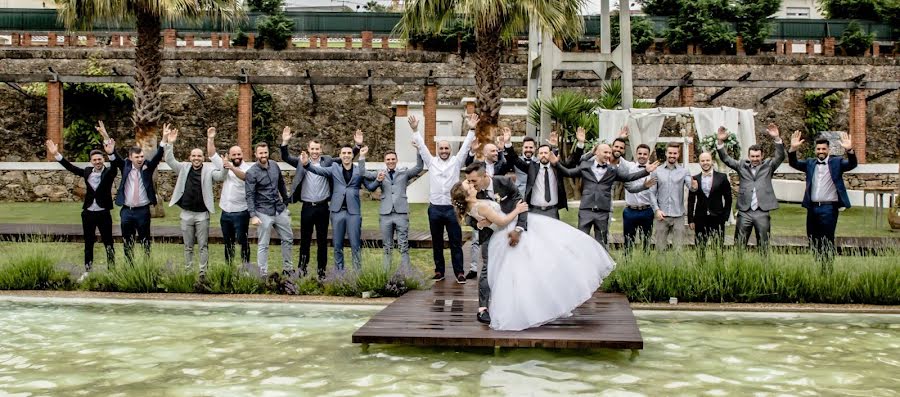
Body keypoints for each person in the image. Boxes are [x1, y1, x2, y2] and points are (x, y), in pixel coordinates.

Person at [450, 180, 616, 331]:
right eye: (469, 187)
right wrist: (517, 209)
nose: (472, 185)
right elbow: (501, 221)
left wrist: (483, 222)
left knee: (525, 269)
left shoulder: (474, 205)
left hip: (502, 235)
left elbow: (485, 219)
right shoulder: (481, 206)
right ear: (466, 195)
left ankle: (534, 306)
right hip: (506, 233)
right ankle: (533, 308)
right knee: (533, 265)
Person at [280, 128, 361, 278]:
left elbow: (346, 158)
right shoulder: (301, 161)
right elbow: (285, 157)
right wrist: (285, 142)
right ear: (308, 150)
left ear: (321, 150)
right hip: (307, 207)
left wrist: (357, 146)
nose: (315, 151)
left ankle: (321, 273)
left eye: (317, 149)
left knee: (322, 241)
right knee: (305, 241)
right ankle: (302, 271)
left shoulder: (328, 161)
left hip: (323, 207)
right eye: (312, 149)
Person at [410, 114, 477, 282]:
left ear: (450, 150)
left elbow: (466, 147)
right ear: (437, 150)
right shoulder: (431, 162)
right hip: (435, 209)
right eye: (441, 149)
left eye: (447, 148)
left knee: (456, 242)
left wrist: (472, 129)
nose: (444, 151)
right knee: (437, 242)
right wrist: (415, 129)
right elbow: (422, 147)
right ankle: (439, 270)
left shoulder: (456, 162)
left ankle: (459, 272)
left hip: (452, 209)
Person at [555, 143, 658, 246]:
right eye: (605, 152)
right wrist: (556, 163)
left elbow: (628, 177)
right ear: (596, 153)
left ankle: (601, 262)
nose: (608, 155)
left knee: (602, 242)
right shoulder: (585, 166)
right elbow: (568, 173)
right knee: (582, 240)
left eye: (609, 153)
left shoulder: (613, 170)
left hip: (603, 212)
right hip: (586, 210)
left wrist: (645, 171)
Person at [46, 131, 117, 280]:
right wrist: (56, 154)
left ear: (103, 159)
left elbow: (116, 165)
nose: (97, 162)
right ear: (91, 161)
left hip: (104, 213)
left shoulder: (110, 172)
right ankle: (87, 270)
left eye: (99, 159)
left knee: (108, 242)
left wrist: (110, 151)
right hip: (88, 213)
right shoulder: (87, 171)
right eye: (94, 160)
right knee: (88, 242)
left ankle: (112, 270)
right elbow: (71, 168)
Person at [462, 162, 527, 325]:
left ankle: (518, 304)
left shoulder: (504, 183)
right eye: (469, 181)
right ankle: (482, 309)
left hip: (512, 229)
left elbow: (522, 205)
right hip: (490, 235)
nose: (471, 184)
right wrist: (477, 224)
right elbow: (468, 216)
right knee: (487, 268)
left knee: (517, 267)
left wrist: (519, 229)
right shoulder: (472, 194)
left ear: (485, 176)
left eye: (474, 181)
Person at [301, 143, 376, 271]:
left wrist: (379, 179)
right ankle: (339, 274)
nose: (346, 155)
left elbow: (371, 186)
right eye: (344, 153)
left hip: (353, 212)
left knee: (355, 245)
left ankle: (357, 275)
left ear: (353, 155)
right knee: (337, 245)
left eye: (349, 153)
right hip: (337, 212)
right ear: (340, 155)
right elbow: (319, 170)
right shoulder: (334, 168)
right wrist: (307, 164)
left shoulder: (359, 170)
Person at [162, 126, 224, 279]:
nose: (196, 158)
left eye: (199, 156)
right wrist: (170, 143)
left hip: (202, 214)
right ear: (190, 157)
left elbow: (221, 176)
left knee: (203, 246)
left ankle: (203, 272)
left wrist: (225, 165)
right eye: (194, 156)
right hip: (186, 214)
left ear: (203, 158)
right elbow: (169, 160)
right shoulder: (183, 168)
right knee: (188, 246)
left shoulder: (209, 171)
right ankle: (189, 271)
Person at [788, 131, 857, 263]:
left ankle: (827, 267)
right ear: (815, 150)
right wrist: (793, 149)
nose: (821, 151)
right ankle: (817, 263)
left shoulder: (837, 162)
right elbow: (794, 163)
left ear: (828, 150)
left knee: (827, 238)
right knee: (812, 237)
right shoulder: (810, 163)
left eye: (823, 149)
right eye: (818, 149)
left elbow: (852, 165)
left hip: (829, 208)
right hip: (812, 208)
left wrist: (849, 150)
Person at [717, 124, 785, 251]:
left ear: (762, 156)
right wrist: (720, 142)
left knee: (764, 245)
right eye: (752, 156)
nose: (755, 159)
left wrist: (777, 139)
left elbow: (780, 157)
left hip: (762, 211)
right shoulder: (741, 165)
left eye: (757, 156)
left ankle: (764, 269)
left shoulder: (769, 166)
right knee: (739, 246)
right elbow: (725, 159)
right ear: (749, 156)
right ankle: (738, 268)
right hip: (745, 211)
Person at [104, 123, 166, 264]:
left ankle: (146, 265)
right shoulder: (125, 165)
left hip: (143, 211)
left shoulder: (147, 167)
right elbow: (114, 155)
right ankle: (129, 266)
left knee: (145, 241)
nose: (140, 159)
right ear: (131, 158)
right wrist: (108, 145)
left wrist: (164, 140)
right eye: (137, 157)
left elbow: (157, 156)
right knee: (127, 241)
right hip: (127, 211)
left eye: (142, 157)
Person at [503, 127, 588, 219]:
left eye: (546, 153)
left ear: (550, 154)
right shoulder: (531, 168)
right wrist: (507, 143)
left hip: (552, 211)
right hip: (534, 210)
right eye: (541, 153)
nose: (543, 155)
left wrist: (580, 144)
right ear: (538, 155)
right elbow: (515, 159)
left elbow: (571, 162)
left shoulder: (556, 168)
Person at [364, 145, 424, 271]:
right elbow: (363, 173)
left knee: (403, 246)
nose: (390, 161)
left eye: (393, 159)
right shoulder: (380, 174)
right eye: (388, 159)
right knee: (387, 247)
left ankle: (407, 274)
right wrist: (362, 156)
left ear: (397, 160)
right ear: (384, 161)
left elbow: (419, 167)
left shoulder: (404, 173)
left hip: (401, 213)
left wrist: (419, 150)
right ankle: (386, 275)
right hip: (385, 214)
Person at [464, 132, 514, 280]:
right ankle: (474, 268)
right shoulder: (479, 167)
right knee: (476, 239)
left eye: (496, 151)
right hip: (481, 210)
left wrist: (503, 148)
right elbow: (468, 166)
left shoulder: (501, 164)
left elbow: (510, 162)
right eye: (492, 151)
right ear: (485, 153)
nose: (495, 153)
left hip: (498, 208)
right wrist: (472, 151)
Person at [245, 142, 292, 276]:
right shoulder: (251, 173)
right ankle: (262, 273)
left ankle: (288, 269)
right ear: (256, 154)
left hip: (278, 208)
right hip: (263, 211)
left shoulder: (274, 166)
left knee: (288, 238)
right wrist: (253, 215)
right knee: (263, 244)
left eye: (265, 152)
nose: (263, 155)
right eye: (261, 153)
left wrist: (285, 199)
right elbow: (249, 195)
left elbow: (281, 184)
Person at [649, 143, 698, 249]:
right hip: (662, 215)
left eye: (675, 153)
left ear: (678, 154)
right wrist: (656, 210)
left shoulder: (684, 171)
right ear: (666, 153)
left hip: (678, 215)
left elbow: (691, 187)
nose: (672, 155)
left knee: (678, 249)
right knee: (660, 249)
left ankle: (677, 266)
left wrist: (694, 186)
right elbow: (652, 193)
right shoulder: (657, 171)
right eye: (670, 153)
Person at [215, 143, 253, 265]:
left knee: (243, 242)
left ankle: (245, 267)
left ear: (242, 155)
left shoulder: (248, 168)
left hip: (241, 212)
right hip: (225, 212)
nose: (237, 156)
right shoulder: (225, 166)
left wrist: (231, 167)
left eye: (239, 154)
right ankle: (229, 267)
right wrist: (210, 139)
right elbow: (211, 154)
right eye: (234, 154)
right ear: (230, 156)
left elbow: (245, 177)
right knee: (228, 243)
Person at [687, 152, 733, 248]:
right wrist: (690, 219)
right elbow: (691, 201)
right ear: (699, 162)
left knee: (718, 248)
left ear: (712, 161)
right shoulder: (695, 178)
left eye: (707, 160)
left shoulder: (722, 177)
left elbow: (728, 198)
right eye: (702, 161)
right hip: (700, 218)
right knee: (700, 248)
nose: (705, 163)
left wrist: (725, 216)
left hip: (718, 218)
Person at [621, 144, 658, 252]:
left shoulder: (654, 170)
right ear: (636, 154)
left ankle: (645, 264)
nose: (642, 156)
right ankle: (628, 264)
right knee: (628, 242)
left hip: (647, 210)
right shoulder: (629, 168)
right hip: (630, 210)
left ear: (648, 155)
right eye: (640, 153)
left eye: (645, 154)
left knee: (646, 242)